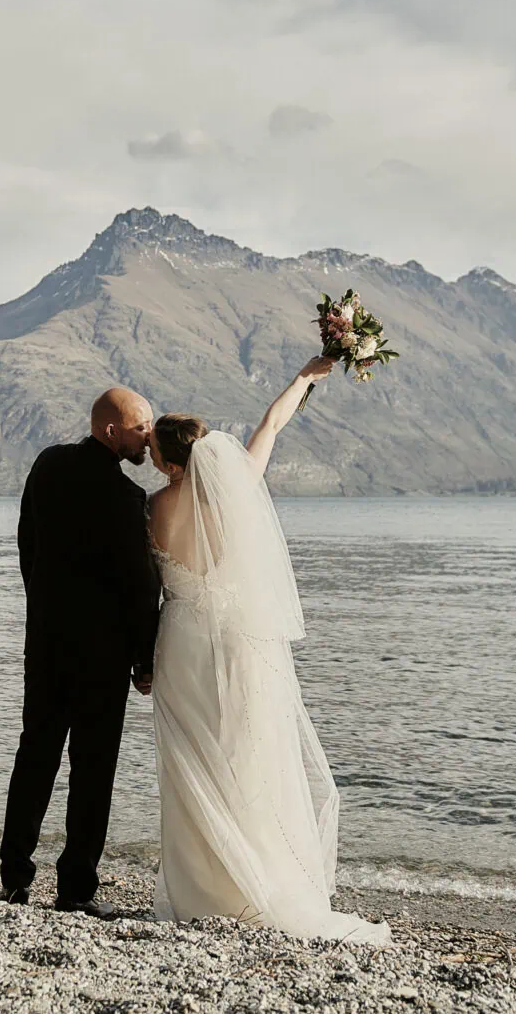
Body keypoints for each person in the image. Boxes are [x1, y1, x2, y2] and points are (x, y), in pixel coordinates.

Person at [144, 357, 391, 944]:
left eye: (154, 453)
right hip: (235, 645)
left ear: (169, 462)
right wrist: (307, 377)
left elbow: (139, 583)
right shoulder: (235, 494)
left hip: (178, 645)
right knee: (246, 757)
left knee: (190, 764)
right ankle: (254, 884)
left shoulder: (150, 509)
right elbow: (271, 425)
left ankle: (200, 890)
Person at [0, 387, 163, 915]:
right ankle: (74, 890)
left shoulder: (46, 465)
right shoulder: (126, 499)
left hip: (44, 643)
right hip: (101, 658)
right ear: (111, 431)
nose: (149, 437)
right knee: (93, 772)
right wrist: (144, 659)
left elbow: (26, 543)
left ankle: (15, 878)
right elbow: (141, 589)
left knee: (36, 756)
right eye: (141, 428)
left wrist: (40, 607)